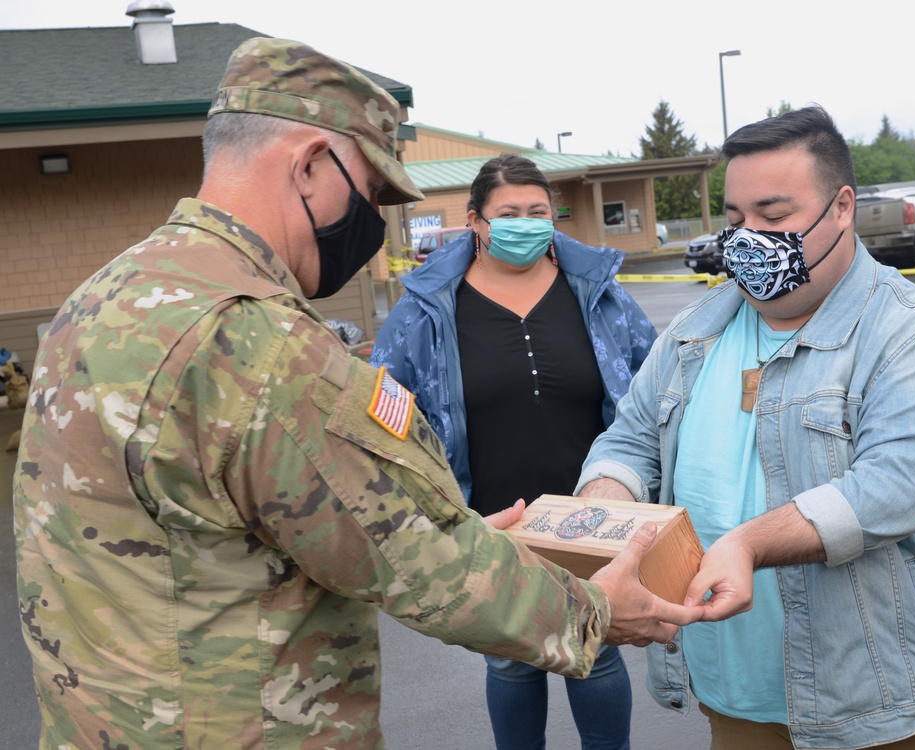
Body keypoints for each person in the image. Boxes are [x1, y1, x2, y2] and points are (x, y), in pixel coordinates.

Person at [12, 38, 702, 750]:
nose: (372, 225)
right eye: (371, 193)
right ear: (311, 164)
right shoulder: (259, 341)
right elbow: (411, 562)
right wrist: (593, 611)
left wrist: (447, 532)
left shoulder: (104, 296)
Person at [575, 105, 915, 749]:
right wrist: (602, 518)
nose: (749, 238)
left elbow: (892, 487)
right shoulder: (695, 330)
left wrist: (746, 544)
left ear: (843, 207)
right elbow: (630, 440)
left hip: (890, 708)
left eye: (774, 217)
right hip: (738, 700)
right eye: (737, 219)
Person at [370, 153, 657, 749]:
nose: (525, 222)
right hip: (492, 519)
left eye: (537, 212)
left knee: (596, 653)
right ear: (476, 221)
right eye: (509, 213)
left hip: (591, 518)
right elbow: (383, 410)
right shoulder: (428, 307)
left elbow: (657, 381)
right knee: (509, 661)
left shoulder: (598, 293)